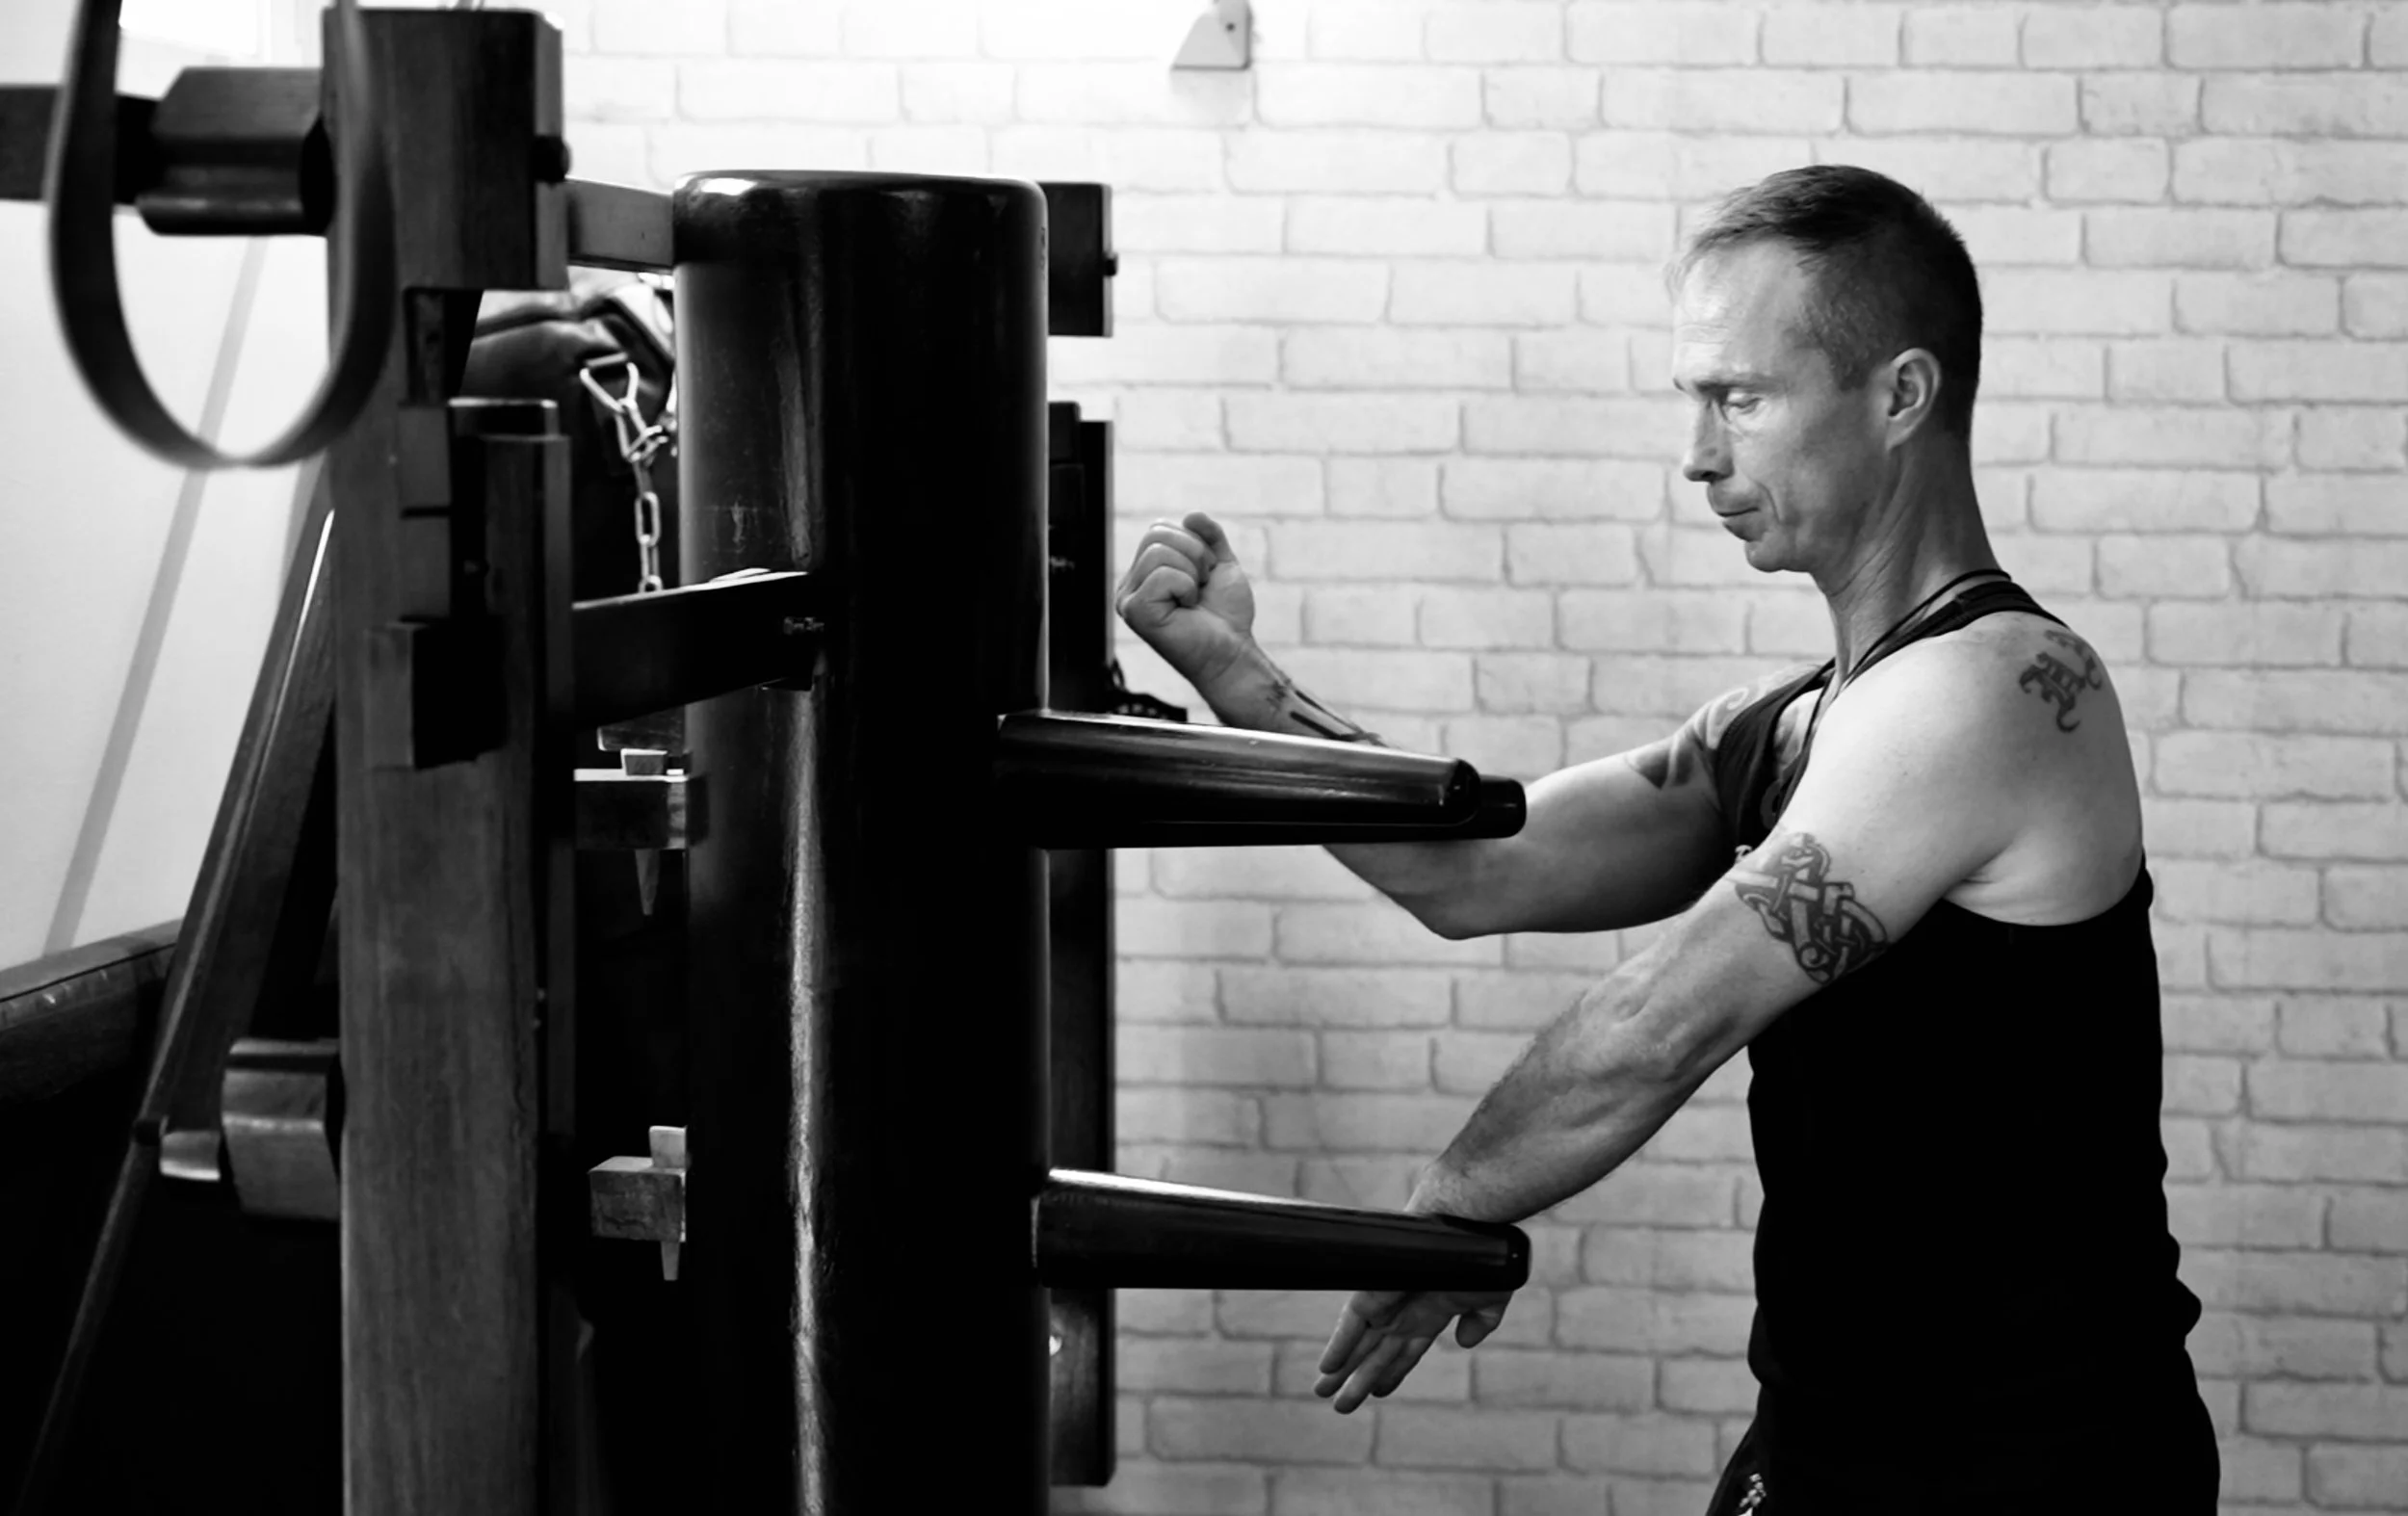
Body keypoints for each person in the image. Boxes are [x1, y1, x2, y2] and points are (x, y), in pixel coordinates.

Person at [1113, 165, 2215, 1514]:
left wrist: (1452, 1193)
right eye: (1694, 402)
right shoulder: (1790, 727)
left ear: (1901, 395)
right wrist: (1244, 681)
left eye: (1741, 398)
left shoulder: (1999, 687)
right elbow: (1473, 868)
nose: (1699, 455)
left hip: (2034, 1462)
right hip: (1828, 1437)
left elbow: (1660, 1019)